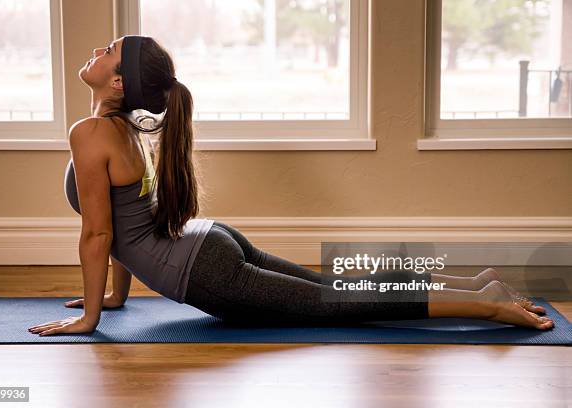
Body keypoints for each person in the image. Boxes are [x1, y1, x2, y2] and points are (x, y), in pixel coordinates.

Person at [28, 36, 553, 337]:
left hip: (203, 267)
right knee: (334, 288)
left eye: (109, 50)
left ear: (118, 83)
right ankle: (477, 284)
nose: (98, 49)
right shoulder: (120, 129)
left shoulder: (92, 132)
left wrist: (94, 318)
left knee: (340, 302)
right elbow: (121, 225)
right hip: (208, 242)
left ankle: (488, 306)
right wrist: (116, 298)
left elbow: (100, 235)